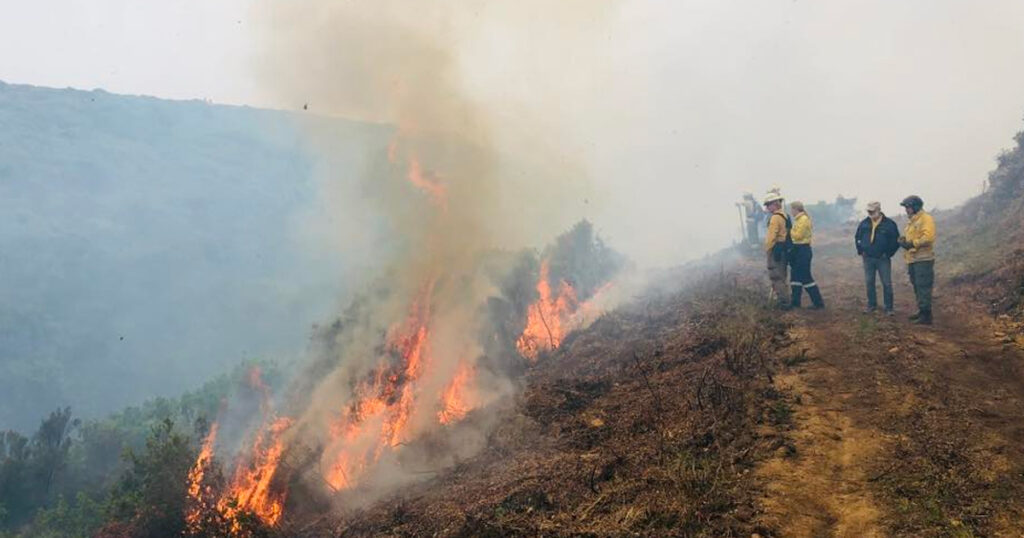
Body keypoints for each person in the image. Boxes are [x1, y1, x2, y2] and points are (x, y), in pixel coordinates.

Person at [854, 201, 900, 315]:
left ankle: (889, 308)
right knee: (869, 282)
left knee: (886, 283)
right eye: (868, 211)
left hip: (882, 259)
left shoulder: (889, 224)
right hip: (868, 258)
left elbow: (895, 241)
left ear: (879, 210)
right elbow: (857, 237)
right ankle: (871, 305)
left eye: (872, 211)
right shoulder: (864, 224)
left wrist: (888, 254)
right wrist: (861, 251)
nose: (870, 213)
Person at [898, 195, 936, 325]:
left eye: (908, 207)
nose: (906, 210)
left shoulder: (926, 219)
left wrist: (912, 243)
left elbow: (928, 237)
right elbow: (912, 235)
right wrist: (904, 241)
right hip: (914, 259)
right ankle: (922, 311)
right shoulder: (913, 220)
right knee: (917, 286)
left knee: (923, 286)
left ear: (915, 207)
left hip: (923, 259)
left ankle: (926, 315)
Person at [788, 201, 825, 309]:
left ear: (796, 209)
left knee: (805, 277)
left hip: (803, 250)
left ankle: (818, 303)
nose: (791, 212)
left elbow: (798, 236)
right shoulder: (798, 220)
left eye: (792, 209)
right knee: (795, 276)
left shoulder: (803, 220)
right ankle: (795, 302)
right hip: (797, 249)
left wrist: (790, 231)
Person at [763, 190, 791, 309]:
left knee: (776, 276)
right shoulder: (785, 216)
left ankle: (783, 302)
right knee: (782, 275)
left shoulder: (775, 218)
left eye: (768, 204)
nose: (767, 207)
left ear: (775, 204)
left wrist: (768, 250)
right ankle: (785, 299)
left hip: (776, 249)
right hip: (784, 248)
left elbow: (771, 237)